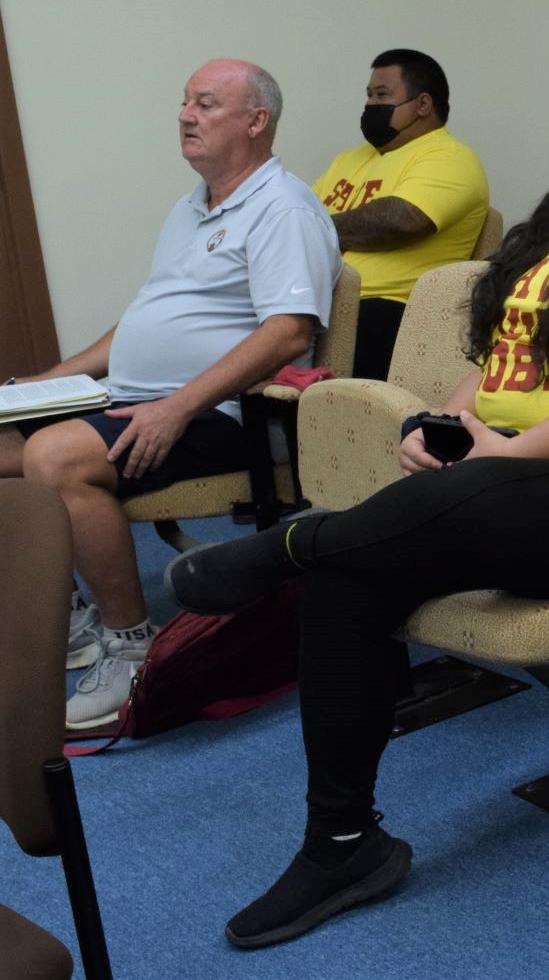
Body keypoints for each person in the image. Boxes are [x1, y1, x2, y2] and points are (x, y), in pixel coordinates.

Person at [161, 40, 549, 949]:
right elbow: (497, 364)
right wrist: (446, 428)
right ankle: (341, 842)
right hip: (515, 481)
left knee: (385, 530)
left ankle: (284, 547)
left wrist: (502, 458)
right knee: (350, 582)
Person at [0, 59, 340, 730]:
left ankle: (131, 647)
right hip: (138, 394)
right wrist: (38, 386)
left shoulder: (283, 207)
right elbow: (142, 323)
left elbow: (286, 333)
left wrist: (176, 405)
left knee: (57, 458)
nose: (185, 114)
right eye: (185, 102)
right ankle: (66, 615)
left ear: (255, 120)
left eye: (206, 104)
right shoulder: (192, 208)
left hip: (222, 414)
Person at [313, 49, 489, 380]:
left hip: (391, 309)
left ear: (423, 105)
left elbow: (400, 219)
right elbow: (292, 220)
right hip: (319, 298)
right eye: (368, 95)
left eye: (382, 95)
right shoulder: (348, 159)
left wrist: (313, 229)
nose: (370, 105)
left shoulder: (450, 157)